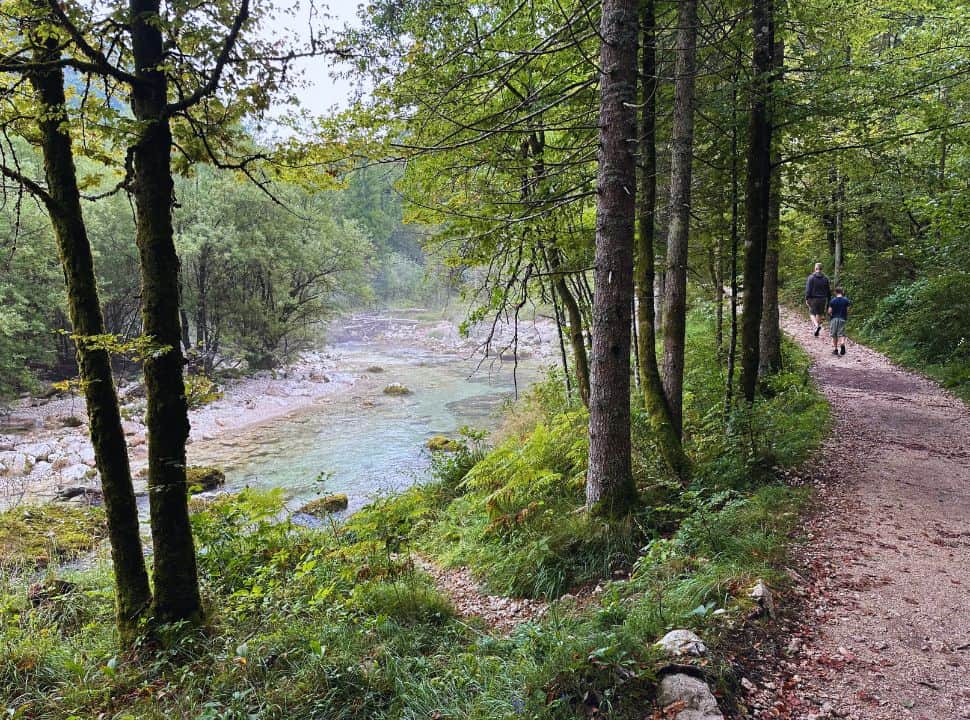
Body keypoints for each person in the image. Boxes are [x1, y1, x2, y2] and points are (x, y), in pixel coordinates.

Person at [804, 262, 832, 337]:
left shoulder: (811, 277)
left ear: (815, 268)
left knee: (811, 313)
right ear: (821, 269)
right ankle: (817, 330)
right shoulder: (825, 278)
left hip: (813, 299)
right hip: (823, 299)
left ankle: (817, 326)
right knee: (819, 314)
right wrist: (829, 300)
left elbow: (808, 289)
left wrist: (807, 298)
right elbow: (828, 290)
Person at [828, 287, 851, 355]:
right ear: (842, 292)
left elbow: (829, 311)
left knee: (834, 334)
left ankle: (835, 349)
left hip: (834, 319)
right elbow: (848, 310)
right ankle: (842, 343)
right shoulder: (846, 300)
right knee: (841, 333)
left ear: (835, 292)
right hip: (842, 318)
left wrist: (831, 314)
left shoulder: (833, 301)